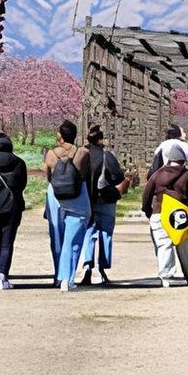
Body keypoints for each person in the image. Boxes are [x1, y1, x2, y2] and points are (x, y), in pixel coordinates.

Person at [142, 136, 188, 286]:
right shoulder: (187, 173)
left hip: (160, 212)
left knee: (164, 244)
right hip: (181, 214)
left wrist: (147, 210)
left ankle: (166, 275)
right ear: (182, 160)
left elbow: (147, 193)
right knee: (184, 243)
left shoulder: (157, 174)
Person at [43, 119, 93, 292]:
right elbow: (86, 175)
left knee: (57, 237)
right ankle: (68, 278)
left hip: (56, 195)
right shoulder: (83, 152)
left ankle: (58, 275)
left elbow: (48, 176)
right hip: (78, 196)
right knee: (73, 239)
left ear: (60, 135)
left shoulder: (51, 154)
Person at [81, 123, 127, 286]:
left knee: (89, 233)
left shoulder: (82, 155)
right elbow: (117, 177)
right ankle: (102, 269)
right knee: (106, 233)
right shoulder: (107, 156)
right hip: (105, 199)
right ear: (101, 140)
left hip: (87, 199)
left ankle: (87, 266)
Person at [0, 130, 27, 290]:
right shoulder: (19, 163)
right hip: (12, 206)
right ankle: (3, 277)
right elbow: (22, 184)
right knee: (7, 242)